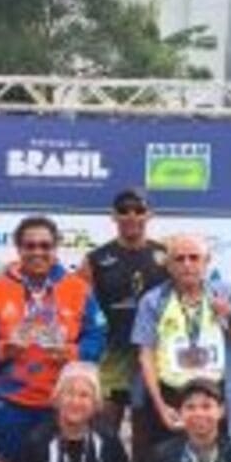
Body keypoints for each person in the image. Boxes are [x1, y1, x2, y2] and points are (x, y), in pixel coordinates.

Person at [0, 215, 106, 462]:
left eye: (45, 246)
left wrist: (74, 353)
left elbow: (97, 337)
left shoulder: (78, 289)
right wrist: (0, 349)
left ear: (55, 248)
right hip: (9, 403)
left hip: (63, 404)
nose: (37, 252)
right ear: (18, 248)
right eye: (30, 246)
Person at [131, 234, 231, 462]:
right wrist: (159, 405)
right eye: (179, 259)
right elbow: (145, 355)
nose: (187, 264)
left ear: (207, 261)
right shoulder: (153, 300)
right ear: (168, 265)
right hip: (170, 396)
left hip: (213, 396)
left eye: (194, 258)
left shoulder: (226, 294)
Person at [80, 189, 169, 445]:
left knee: (146, 436)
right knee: (104, 433)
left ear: (150, 214)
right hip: (111, 356)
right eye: (124, 210)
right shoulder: (95, 259)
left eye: (139, 210)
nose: (131, 216)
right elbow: (80, 306)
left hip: (151, 356)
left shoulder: (166, 256)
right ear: (113, 216)